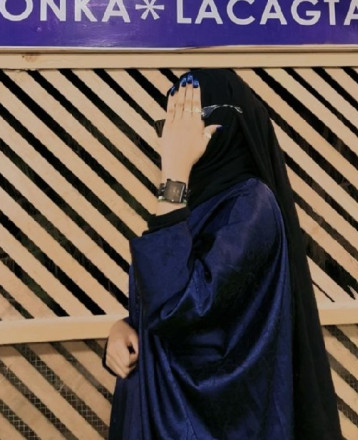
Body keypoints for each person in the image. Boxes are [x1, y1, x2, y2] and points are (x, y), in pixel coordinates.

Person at [105, 69, 342, 440]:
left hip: (208, 424)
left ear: (226, 124)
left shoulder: (251, 205)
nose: (174, 136)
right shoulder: (194, 207)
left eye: (188, 119)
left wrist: (174, 177)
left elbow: (180, 307)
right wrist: (125, 327)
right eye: (170, 123)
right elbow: (182, 303)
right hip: (166, 412)